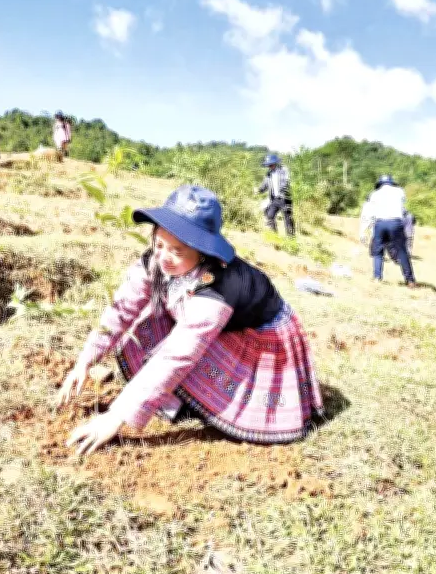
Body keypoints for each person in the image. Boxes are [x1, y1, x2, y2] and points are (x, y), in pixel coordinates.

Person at [56, 184, 325, 456]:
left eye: (178, 250)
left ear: (202, 251)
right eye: (159, 244)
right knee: (144, 329)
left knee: (188, 359)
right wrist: (84, 361)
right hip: (203, 320)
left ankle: (195, 397)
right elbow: (122, 309)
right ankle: (179, 397)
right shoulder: (156, 260)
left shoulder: (220, 285)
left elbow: (179, 353)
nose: (164, 257)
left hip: (259, 334)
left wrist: (116, 416)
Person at [361, 175, 416, 287]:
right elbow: (403, 206)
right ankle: (409, 280)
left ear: (380, 184)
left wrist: (363, 230)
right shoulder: (399, 191)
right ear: (391, 183)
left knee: (378, 252)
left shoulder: (374, 194)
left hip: (380, 223)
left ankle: (377, 277)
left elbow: (369, 213)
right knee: (402, 251)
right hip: (395, 223)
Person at [257, 154, 295, 237]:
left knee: (288, 218)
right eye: (268, 165)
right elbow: (264, 185)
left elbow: (287, 181)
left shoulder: (284, 170)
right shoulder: (268, 174)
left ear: (275, 163)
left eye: (271, 164)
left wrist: (282, 189)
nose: (269, 166)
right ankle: (275, 236)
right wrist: (259, 190)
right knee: (269, 215)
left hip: (285, 198)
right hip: (274, 199)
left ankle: (291, 240)